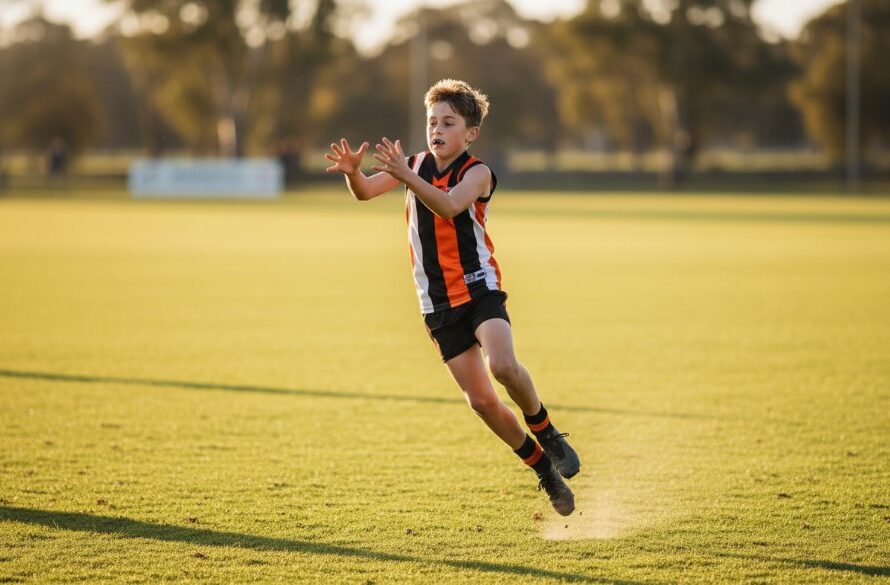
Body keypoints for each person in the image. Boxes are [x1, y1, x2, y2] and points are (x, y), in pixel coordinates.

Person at [325, 79, 580, 516]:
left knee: (501, 364)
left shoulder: (477, 173)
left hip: (479, 286)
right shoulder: (415, 163)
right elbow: (367, 191)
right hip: (436, 303)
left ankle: (547, 430)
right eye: (432, 122)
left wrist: (405, 175)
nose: (437, 130)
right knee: (481, 402)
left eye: (448, 122)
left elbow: (448, 206)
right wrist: (353, 174)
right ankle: (542, 470)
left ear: (470, 133)